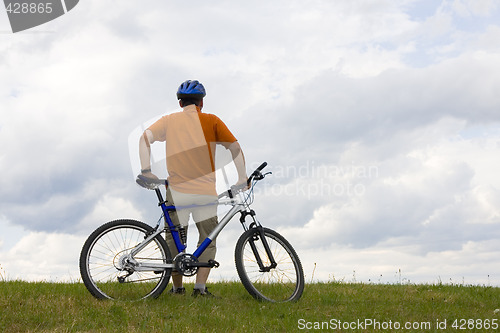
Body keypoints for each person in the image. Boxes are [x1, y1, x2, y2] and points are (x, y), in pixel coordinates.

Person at [138, 80, 247, 297]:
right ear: (202, 102)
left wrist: (146, 169)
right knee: (208, 236)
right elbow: (235, 147)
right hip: (204, 191)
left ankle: (177, 288)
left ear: (180, 103)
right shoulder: (212, 120)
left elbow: (145, 138)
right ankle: (200, 288)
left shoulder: (169, 121)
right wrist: (242, 177)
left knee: (174, 238)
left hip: (177, 190)